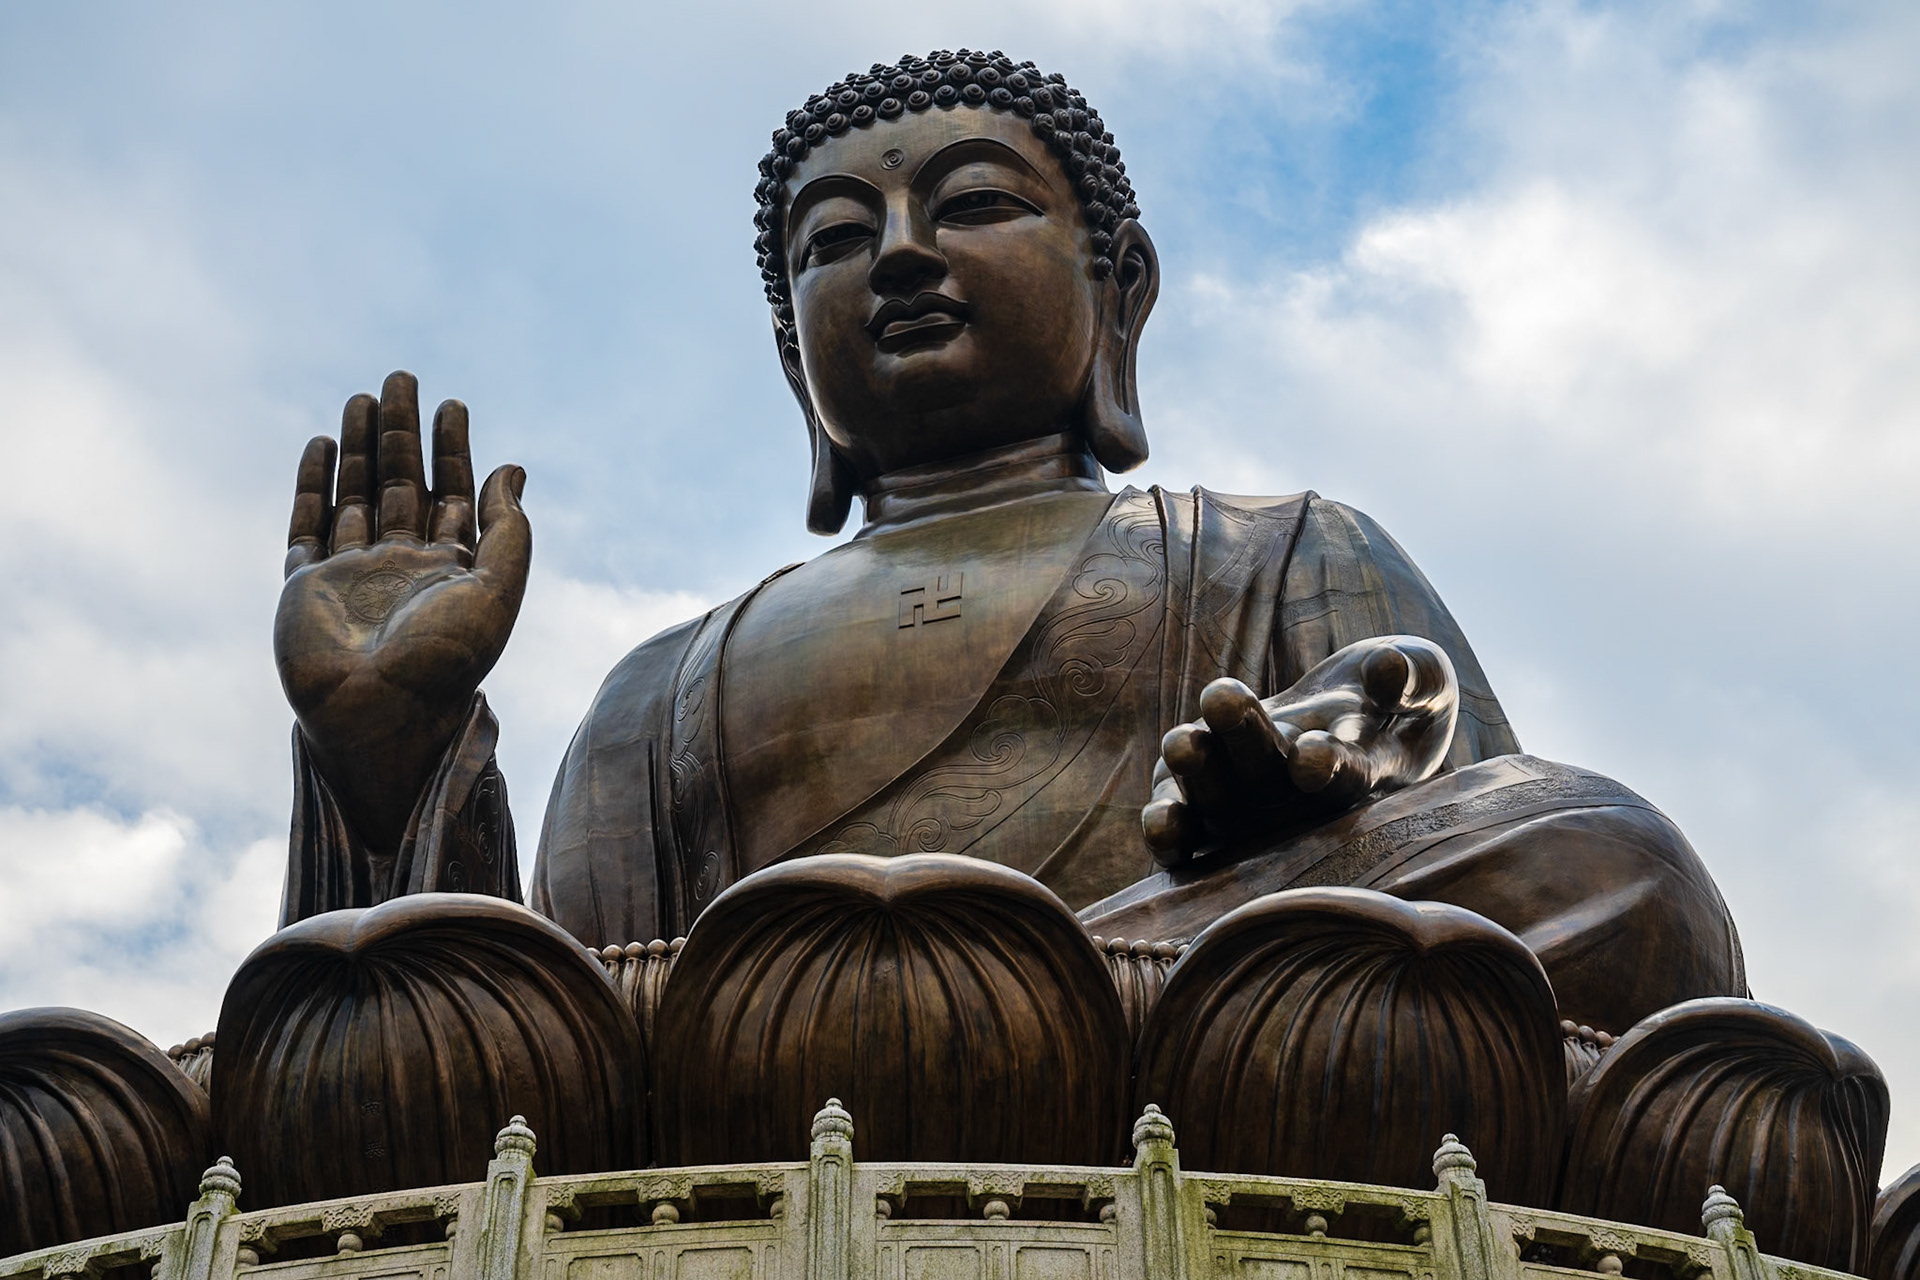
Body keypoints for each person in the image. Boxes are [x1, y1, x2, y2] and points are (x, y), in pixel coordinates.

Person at [271, 50, 1743, 1038]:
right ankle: (1024, 1008)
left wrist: (1312, 822)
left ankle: (1046, 1000)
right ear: (799, 364)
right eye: (837, 239)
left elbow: (1525, 889)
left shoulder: (1274, 549)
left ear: (1121, 295)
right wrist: (384, 758)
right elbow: (529, 1035)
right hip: (781, 1085)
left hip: (1197, 1028)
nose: (901, 252)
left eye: (971, 204)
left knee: (1608, 851)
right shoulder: (661, 689)